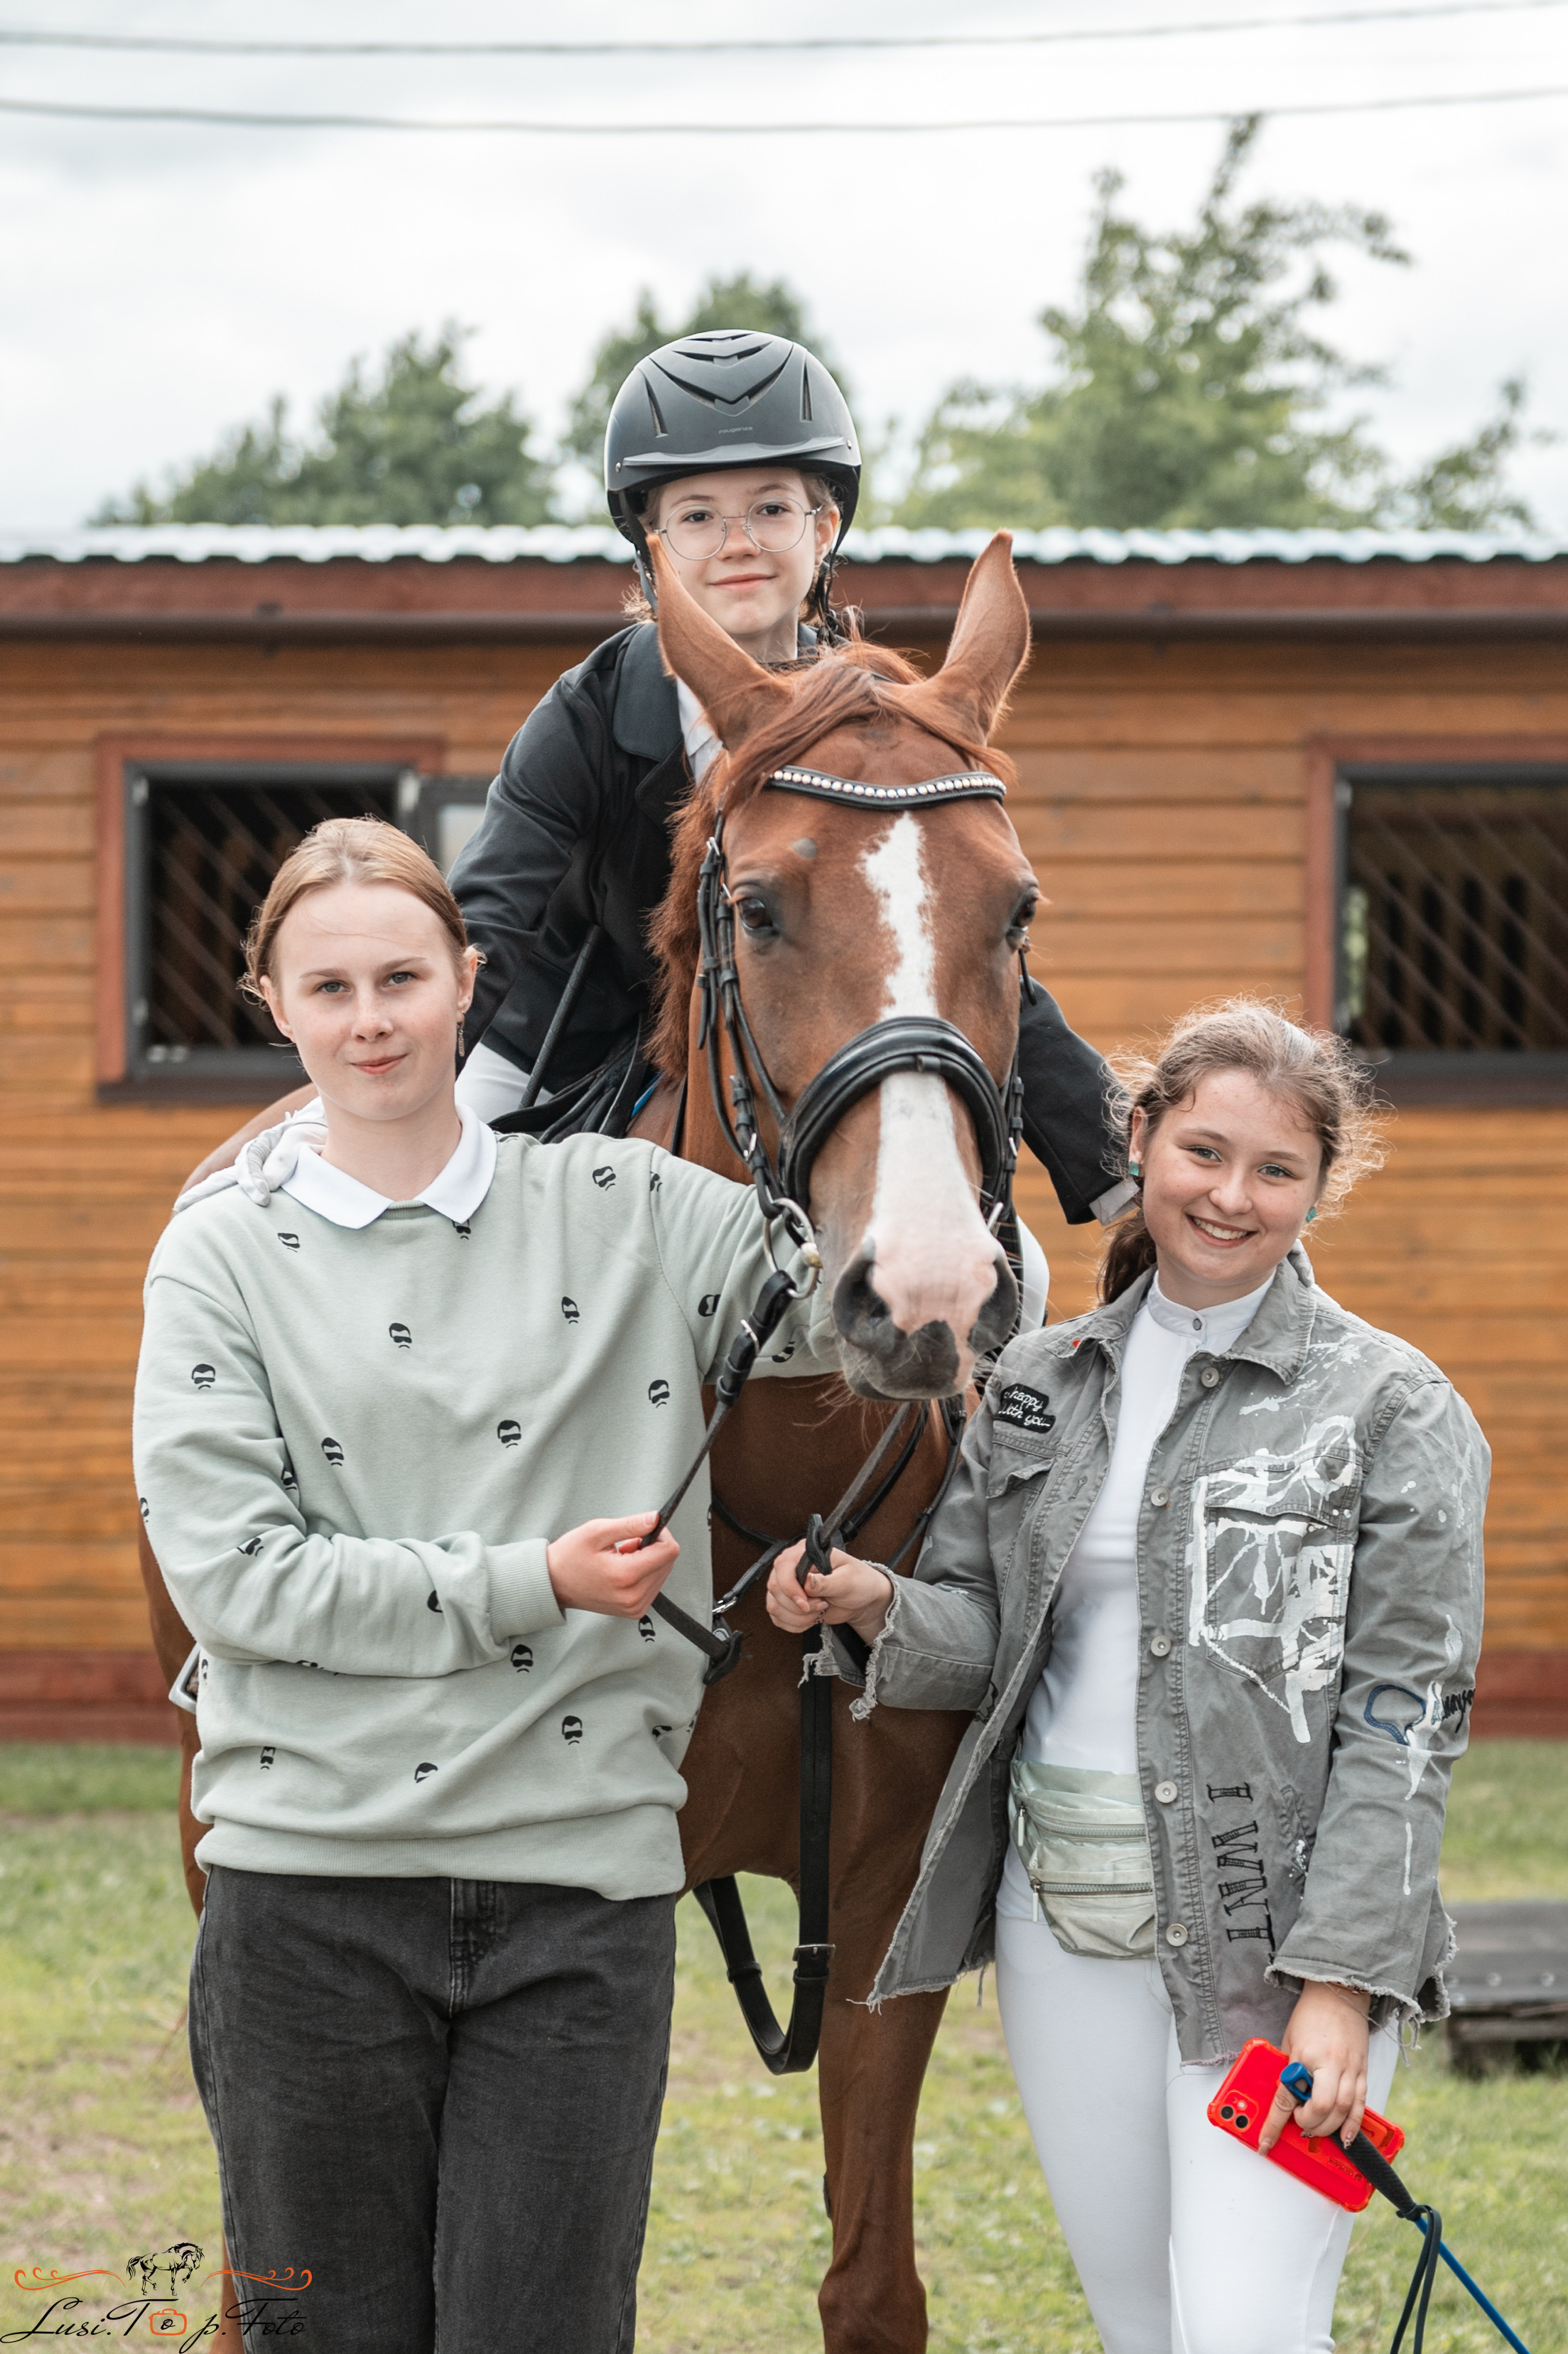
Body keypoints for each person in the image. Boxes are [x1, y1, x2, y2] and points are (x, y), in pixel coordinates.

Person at [134, 816, 837, 2354]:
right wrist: (535, 1580)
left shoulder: (633, 1208)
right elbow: (241, 1584)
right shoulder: (216, 1259)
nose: (370, 1017)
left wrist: (919, 1137)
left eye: (402, 975)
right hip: (305, 1901)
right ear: (274, 1003)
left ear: (470, 981)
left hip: (578, 1904)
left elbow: (868, 1303)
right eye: (329, 986)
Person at [764, 1000, 1488, 2354]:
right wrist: (876, 1603)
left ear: (1321, 1188)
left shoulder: (1391, 1406)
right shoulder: (1039, 1378)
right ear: (1140, 1138)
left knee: (1245, 2332)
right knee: (1144, 2325)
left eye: (1277, 1170)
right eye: (1203, 1151)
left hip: (1270, 1947)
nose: (1231, 1196)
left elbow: (1405, 1716)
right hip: (1061, 1928)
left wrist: (1340, 1984)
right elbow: (993, 1634)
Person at [182, 331, 1132, 1279]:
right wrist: (344, 1116)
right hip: (566, 1037)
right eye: (699, 518)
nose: (739, 543)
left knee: (1028, 1272)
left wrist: (1121, 1173)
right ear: (655, 548)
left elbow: (954, 941)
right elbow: (491, 915)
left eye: (771, 508)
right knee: (434, 1246)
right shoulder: (591, 709)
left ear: (825, 528)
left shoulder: (877, 739)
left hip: (793, 1044)